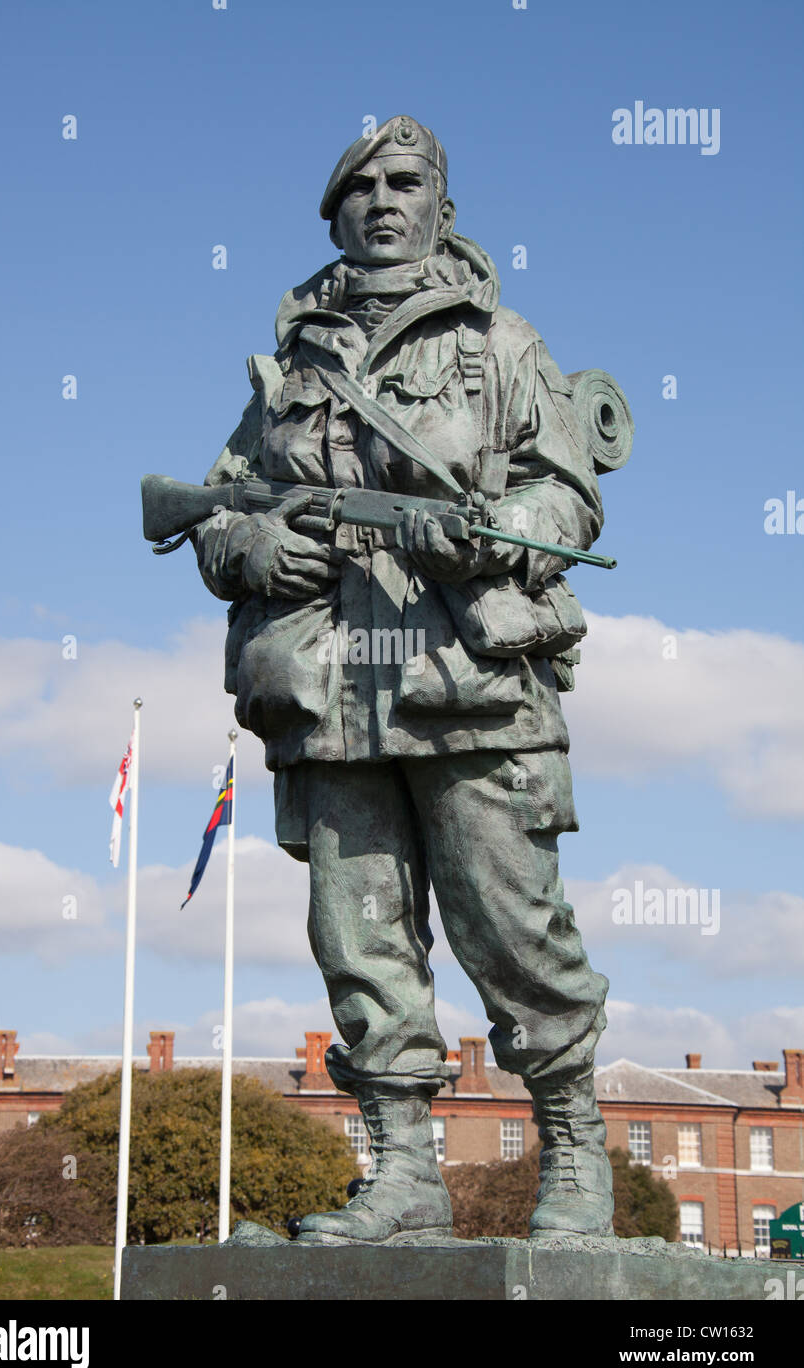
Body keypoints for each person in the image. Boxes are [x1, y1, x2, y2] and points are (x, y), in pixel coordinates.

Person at [193, 116, 614, 1244]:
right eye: (360, 187)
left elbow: (568, 502)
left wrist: (490, 532)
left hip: (469, 685)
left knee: (512, 929)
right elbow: (217, 505)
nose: (382, 201)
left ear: (442, 205)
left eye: (406, 182)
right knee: (359, 940)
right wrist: (250, 549)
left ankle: (571, 1148)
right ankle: (399, 1173)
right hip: (331, 701)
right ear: (333, 213)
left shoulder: (501, 343)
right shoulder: (291, 364)